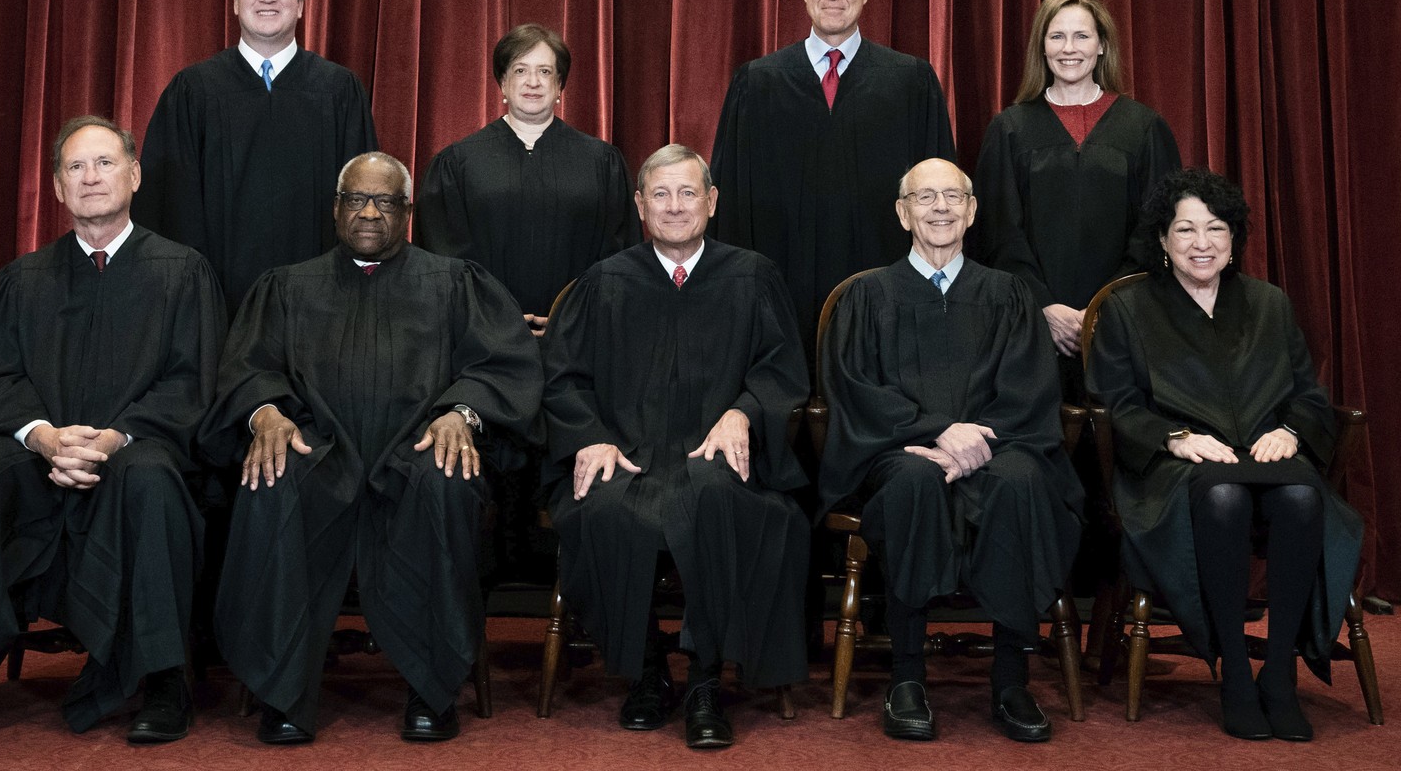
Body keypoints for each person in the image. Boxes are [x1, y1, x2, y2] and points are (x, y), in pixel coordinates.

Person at [0, 116, 225, 746]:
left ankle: (163, 684)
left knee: (154, 480)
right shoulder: (24, 280)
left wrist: (111, 439)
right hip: (36, 457)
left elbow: (192, 385)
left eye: (104, 163)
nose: (91, 177)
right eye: (75, 168)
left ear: (133, 175)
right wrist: (43, 435)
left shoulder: (182, 273)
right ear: (56, 188)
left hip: (132, 453)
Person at [201, 152, 543, 745]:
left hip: (415, 451)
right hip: (318, 454)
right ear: (336, 209)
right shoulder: (287, 287)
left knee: (446, 481)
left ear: (406, 212)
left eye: (385, 202)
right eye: (357, 199)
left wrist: (462, 413)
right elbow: (245, 368)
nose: (368, 212)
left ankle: (431, 689)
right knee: (271, 480)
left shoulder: (455, 283)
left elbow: (504, 366)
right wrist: (267, 413)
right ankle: (283, 690)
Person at [541, 144, 811, 750]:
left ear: (712, 202)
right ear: (639, 205)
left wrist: (743, 414)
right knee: (606, 509)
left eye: (688, 192)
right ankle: (647, 670)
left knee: (717, 499)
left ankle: (706, 682)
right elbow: (561, 377)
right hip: (628, 454)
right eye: (660, 194)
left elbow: (781, 371)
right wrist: (590, 439)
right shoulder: (604, 281)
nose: (674, 206)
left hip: (715, 454)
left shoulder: (752, 275)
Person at [1086, 168, 1363, 741]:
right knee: (1224, 498)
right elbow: (1115, 406)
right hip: (1173, 467)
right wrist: (1175, 439)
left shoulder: (1268, 303)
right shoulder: (1130, 310)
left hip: (1267, 454)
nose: (1201, 243)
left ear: (1234, 239)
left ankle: (1279, 673)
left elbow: (1309, 395)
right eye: (1185, 230)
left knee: (1301, 496)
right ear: (1162, 241)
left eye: (1215, 229)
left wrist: (1291, 428)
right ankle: (1236, 674)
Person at [817, 158, 1084, 744]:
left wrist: (974, 443)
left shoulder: (1007, 293)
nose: (940, 208)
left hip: (999, 445)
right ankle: (906, 678)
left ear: (971, 211)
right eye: (925, 197)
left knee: (1021, 482)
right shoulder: (868, 296)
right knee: (912, 481)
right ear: (902, 211)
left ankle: (1011, 678)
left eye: (952, 197)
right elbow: (855, 390)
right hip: (899, 448)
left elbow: (1030, 387)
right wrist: (939, 431)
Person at [414, 23, 640, 585]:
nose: (533, 83)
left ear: (562, 87)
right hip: (485, 346)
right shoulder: (458, 163)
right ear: (501, 84)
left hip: (577, 340)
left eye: (546, 72)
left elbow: (617, 259)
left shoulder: (601, 161)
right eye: (521, 71)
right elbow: (445, 260)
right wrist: (502, 325)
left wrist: (566, 315)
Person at [711, 0, 956, 364]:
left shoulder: (910, 82)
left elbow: (941, 200)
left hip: (886, 296)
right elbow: (729, 203)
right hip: (779, 291)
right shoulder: (757, 83)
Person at [134, 0, 378, 314]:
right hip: (214, 305)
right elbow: (167, 206)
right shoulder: (193, 91)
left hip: (321, 305)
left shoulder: (339, 90)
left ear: (300, 4)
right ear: (234, 1)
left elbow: (362, 200)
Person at [972, 0, 1180, 399]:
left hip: (1123, 321)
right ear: (1042, 47)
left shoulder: (1142, 128)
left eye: (1082, 36)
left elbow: (1159, 232)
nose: (1070, 49)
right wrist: (1043, 308)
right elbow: (999, 232)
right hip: (1029, 326)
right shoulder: (1010, 129)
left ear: (1102, 45)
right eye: (1057, 36)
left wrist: (1103, 308)